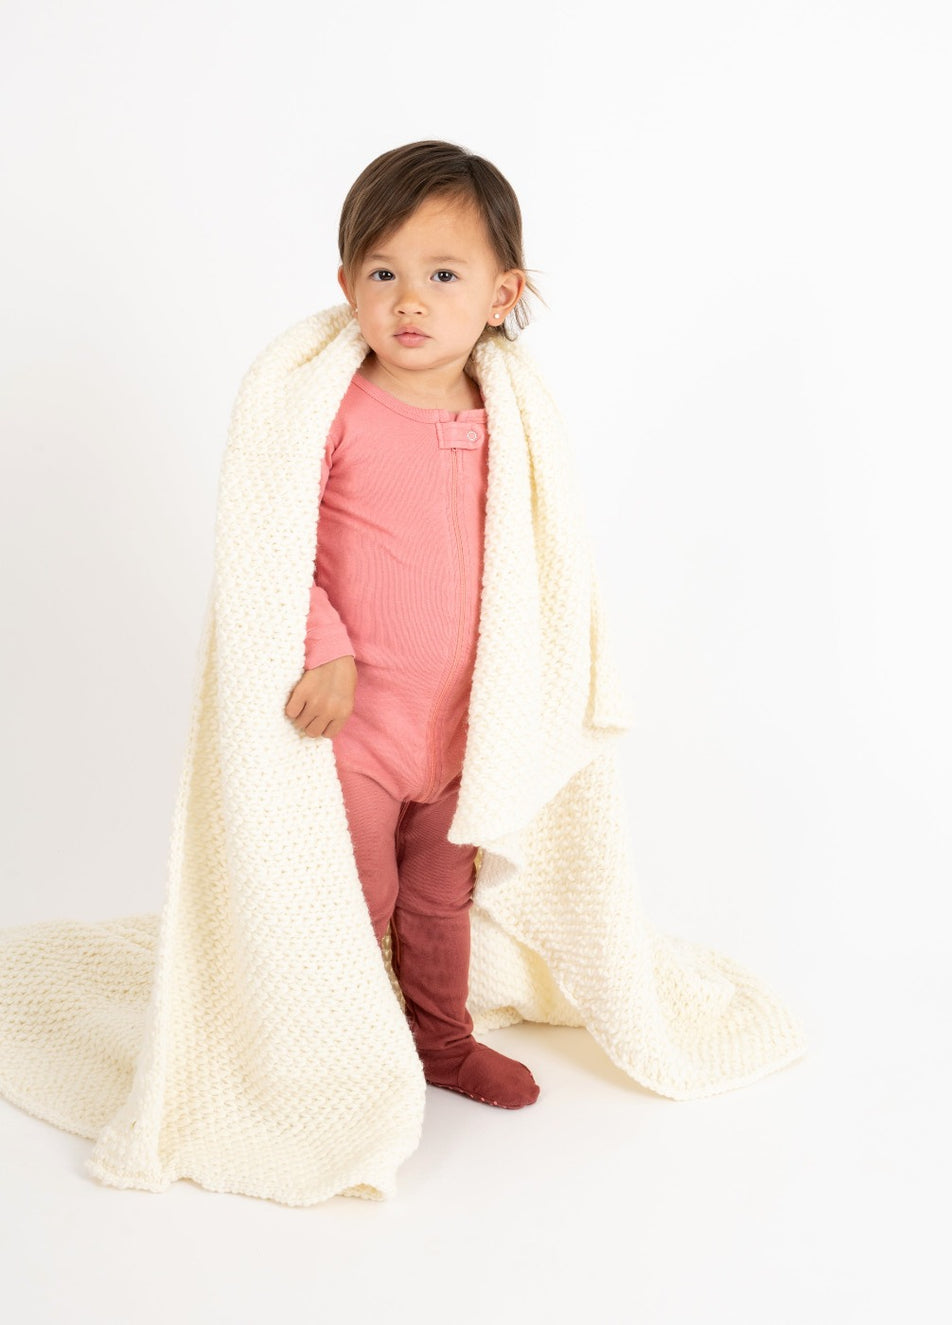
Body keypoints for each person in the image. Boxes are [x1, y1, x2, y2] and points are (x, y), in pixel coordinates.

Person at [282, 141, 542, 1110]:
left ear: (501, 294)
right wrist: (324, 645)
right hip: (357, 722)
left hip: (463, 720)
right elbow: (274, 539)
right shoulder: (331, 410)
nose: (409, 302)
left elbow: (541, 549)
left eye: (442, 275)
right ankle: (339, 1058)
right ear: (347, 285)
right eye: (383, 273)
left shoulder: (510, 415)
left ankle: (441, 1041)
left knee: (439, 897)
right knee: (358, 894)